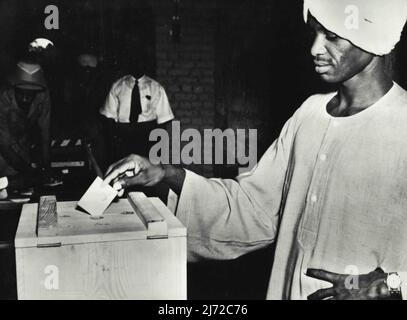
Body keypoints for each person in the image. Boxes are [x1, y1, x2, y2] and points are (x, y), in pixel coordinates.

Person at [104, 0, 407, 300]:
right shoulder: (309, 115)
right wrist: (166, 174)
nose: (314, 48)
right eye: (314, 32)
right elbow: (254, 208)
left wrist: (393, 285)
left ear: (374, 34)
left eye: (331, 36)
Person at [99, 57, 175, 164]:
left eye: (141, 62)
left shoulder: (155, 87)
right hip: (123, 133)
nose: (137, 65)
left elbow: (163, 119)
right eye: (134, 62)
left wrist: (159, 147)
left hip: (147, 133)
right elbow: (109, 115)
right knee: (124, 167)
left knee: (146, 168)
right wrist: (114, 139)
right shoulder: (118, 86)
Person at [0, 61, 52, 188]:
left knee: (23, 185)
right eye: (21, 92)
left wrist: (45, 166)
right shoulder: (3, 98)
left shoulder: (43, 96)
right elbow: (4, 144)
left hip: (22, 143)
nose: (24, 98)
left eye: (29, 94)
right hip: (2, 147)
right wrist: (28, 171)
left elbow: (45, 132)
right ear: (13, 87)